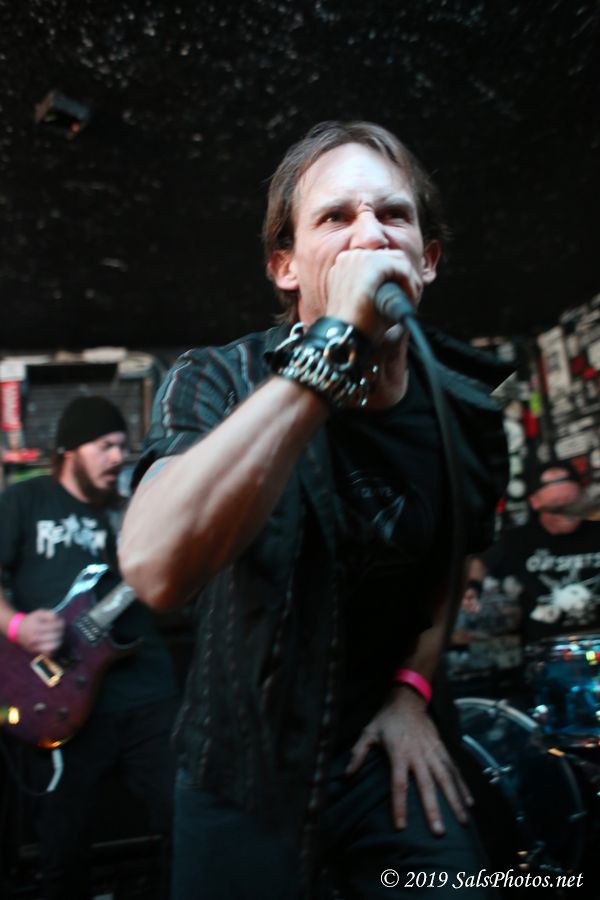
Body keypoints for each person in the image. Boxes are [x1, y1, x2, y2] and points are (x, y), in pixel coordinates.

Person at [119, 121, 510, 899]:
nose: (371, 235)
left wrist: (411, 690)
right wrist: (331, 349)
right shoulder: (216, 380)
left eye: (394, 215)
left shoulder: (467, 413)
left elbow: (451, 568)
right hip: (242, 765)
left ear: (426, 259)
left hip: (387, 754)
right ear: (286, 267)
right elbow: (157, 568)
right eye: (336, 217)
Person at [0, 395, 178, 900]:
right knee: (63, 847)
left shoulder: (130, 514)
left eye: (122, 446)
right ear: (69, 451)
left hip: (146, 695)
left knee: (185, 822)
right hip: (59, 700)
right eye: (104, 446)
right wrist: (17, 626)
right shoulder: (25, 501)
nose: (117, 456)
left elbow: (169, 587)